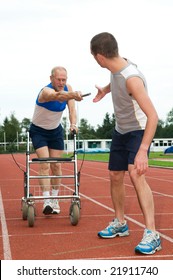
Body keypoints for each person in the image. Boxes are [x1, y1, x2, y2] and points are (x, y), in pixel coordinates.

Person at [90, 32, 161, 255]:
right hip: (121, 130)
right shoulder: (117, 67)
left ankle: (152, 233)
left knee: (136, 174)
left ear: (100, 57)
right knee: (115, 175)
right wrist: (105, 89)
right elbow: (117, 78)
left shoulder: (132, 78)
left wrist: (142, 151)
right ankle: (120, 222)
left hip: (139, 129)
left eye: (94, 56)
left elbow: (153, 117)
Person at [29, 66, 83, 215]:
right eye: (58, 79)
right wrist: (73, 94)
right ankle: (46, 200)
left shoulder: (68, 88)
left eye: (63, 79)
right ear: (51, 78)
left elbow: (72, 110)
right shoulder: (45, 91)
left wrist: (73, 124)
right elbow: (58, 96)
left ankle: (54, 199)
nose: (61, 82)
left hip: (55, 131)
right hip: (38, 130)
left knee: (57, 165)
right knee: (45, 164)